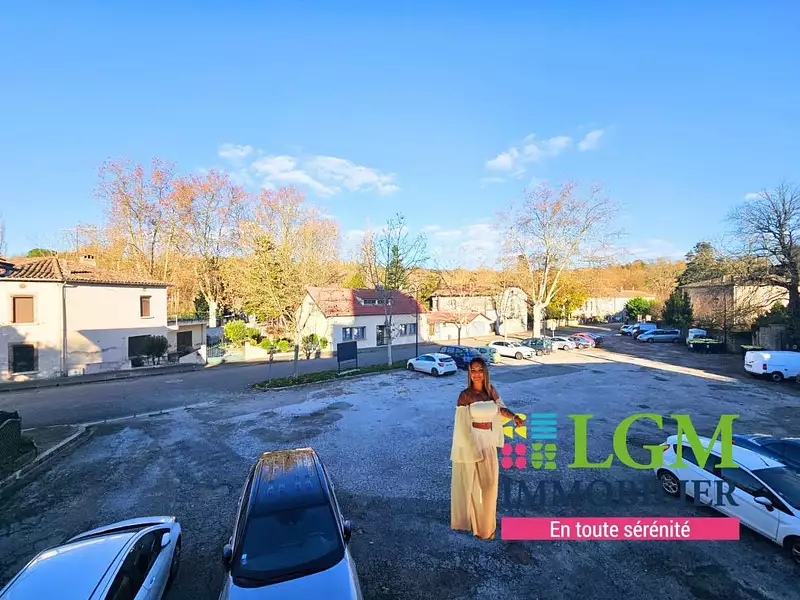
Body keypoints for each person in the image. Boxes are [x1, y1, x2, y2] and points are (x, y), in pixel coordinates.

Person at [450, 356, 523, 540]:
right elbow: (461, 425)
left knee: (490, 485)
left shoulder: (491, 390)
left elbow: (500, 409)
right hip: (472, 441)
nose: (476, 374)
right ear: (469, 373)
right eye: (473, 370)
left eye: (480, 370)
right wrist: (469, 446)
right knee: (471, 485)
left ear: (485, 372)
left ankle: (487, 528)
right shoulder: (465, 395)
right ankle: (472, 525)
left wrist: (514, 417)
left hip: (488, 441)